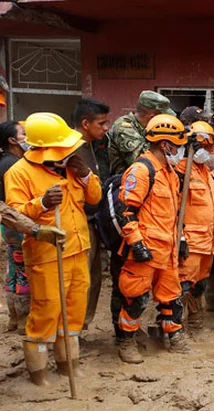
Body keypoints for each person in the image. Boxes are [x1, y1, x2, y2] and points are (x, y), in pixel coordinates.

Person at [5, 112, 100, 386]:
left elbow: (94, 197)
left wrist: (85, 174)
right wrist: (43, 203)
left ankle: (69, 366)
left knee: (73, 312)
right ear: (43, 147)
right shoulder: (19, 173)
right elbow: (14, 214)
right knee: (46, 312)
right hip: (47, 254)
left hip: (78, 249)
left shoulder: (71, 167)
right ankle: (39, 375)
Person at [116, 114, 188, 363]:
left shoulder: (169, 172)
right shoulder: (141, 170)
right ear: (165, 144)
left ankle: (174, 336)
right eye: (178, 145)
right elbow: (125, 211)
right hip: (145, 248)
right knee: (135, 297)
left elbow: (175, 213)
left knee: (171, 296)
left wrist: (182, 239)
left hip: (167, 248)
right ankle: (126, 341)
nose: (180, 150)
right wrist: (135, 243)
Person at [106, 91, 172, 345]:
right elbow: (145, 160)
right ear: (153, 115)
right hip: (123, 200)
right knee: (127, 274)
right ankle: (121, 332)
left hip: (149, 201)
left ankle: (131, 328)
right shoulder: (124, 128)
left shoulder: (145, 131)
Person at [176, 121, 214, 332]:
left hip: (208, 241)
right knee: (183, 286)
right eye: (204, 145)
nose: (208, 150)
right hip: (190, 242)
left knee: (199, 285)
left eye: (210, 146)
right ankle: (177, 328)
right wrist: (180, 238)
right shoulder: (180, 171)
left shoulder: (205, 171)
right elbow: (173, 207)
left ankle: (195, 322)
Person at [72, 98, 111, 330]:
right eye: (102, 123)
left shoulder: (92, 146)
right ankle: (72, 332)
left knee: (93, 277)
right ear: (85, 123)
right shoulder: (72, 149)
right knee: (81, 280)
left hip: (92, 221)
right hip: (79, 224)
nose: (106, 128)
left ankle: (80, 329)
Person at [0, 120, 31, 332]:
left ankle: (13, 317)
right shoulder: (14, 165)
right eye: (23, 134)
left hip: (6, 223)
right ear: (12, 140)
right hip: (17, 221)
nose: (27, 137)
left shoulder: (4, 161)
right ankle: (23, 319)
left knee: (13, 267)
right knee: (25, 269)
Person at [108, 91, 173, 176]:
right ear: (152, 117)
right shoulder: (124, 128)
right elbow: (143, 160)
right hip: (125, 182)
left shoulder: (146, 127)